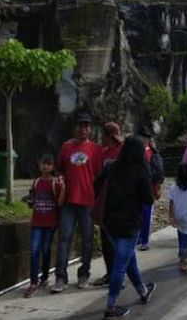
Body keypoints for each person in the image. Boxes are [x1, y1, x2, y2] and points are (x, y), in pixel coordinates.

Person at [97, 136, 156, 319]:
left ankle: (143, 291)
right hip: (129, 224)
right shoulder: (140, 170)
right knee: (121, 264)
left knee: (128, 259)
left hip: (110, 223)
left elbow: (96, 184)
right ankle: (111, 306)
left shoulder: (112, 167)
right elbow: (148, 199)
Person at [52, 112, 103, 292]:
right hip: (68, 201)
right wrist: (60, 180)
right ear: (75, 127)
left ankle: (83, 274)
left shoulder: (96, 150)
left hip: (88, 201)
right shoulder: (66, 147)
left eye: (87, 125)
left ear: (90, 128)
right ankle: (60, 277)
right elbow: (58, 168)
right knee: (64, 238)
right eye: (81, 125)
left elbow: (99, 176)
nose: (84, 129)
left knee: (88, 241)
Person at [24, 154, 63, 298]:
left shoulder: (55, 183)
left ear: (53, 167)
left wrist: (63, 188)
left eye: (48, 164)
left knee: (46, 250)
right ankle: (33, 282)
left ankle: (44, 277)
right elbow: (32, 198)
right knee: (34, 250)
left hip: (50, 222)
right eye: (42, 163)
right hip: (37, 222)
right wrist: (30, 202)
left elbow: (59, 203)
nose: (45, 166)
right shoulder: (36, 182)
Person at [92, 121, 125, 287]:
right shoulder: (103, 153)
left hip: (119, 203)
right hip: (104, 202)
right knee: (106, 240)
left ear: (108, 136)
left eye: (103, 135)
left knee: (118, 241)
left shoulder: (123, 151)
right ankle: (110, 272)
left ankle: (119, 275)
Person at [136, 127, 164, 251]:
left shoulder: (150, 152)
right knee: (140, 214)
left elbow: (158, 171)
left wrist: (156, 186)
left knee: (145, 214)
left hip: (147, 188)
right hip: (141, 187)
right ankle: (140, 239)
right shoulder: (141, 150)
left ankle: (144, 240)